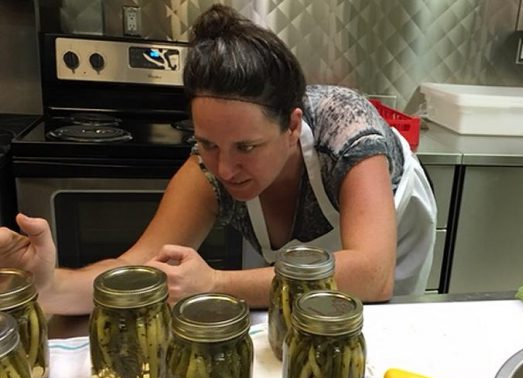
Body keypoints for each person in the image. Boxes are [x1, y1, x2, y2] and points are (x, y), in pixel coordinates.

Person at [0, 4, 436, 315]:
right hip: (308, 263)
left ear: (291, 126)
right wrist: (49, 284)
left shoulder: (347, 129)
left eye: (246, 147)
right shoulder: (207, 170)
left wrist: (217, 284)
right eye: (208, 143)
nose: (225, 169)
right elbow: (137, 266)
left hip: (389, 234)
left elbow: (371, 274)